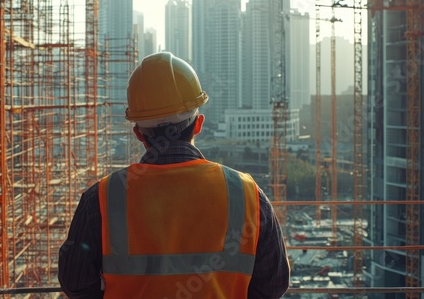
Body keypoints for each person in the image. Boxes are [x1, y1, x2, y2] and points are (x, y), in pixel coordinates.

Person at [58, 52, 290, 298]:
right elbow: (273, 284)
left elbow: (75, 282)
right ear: (198, 124)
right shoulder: (247, 194)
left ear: (139, 133)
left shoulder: (102, 198)